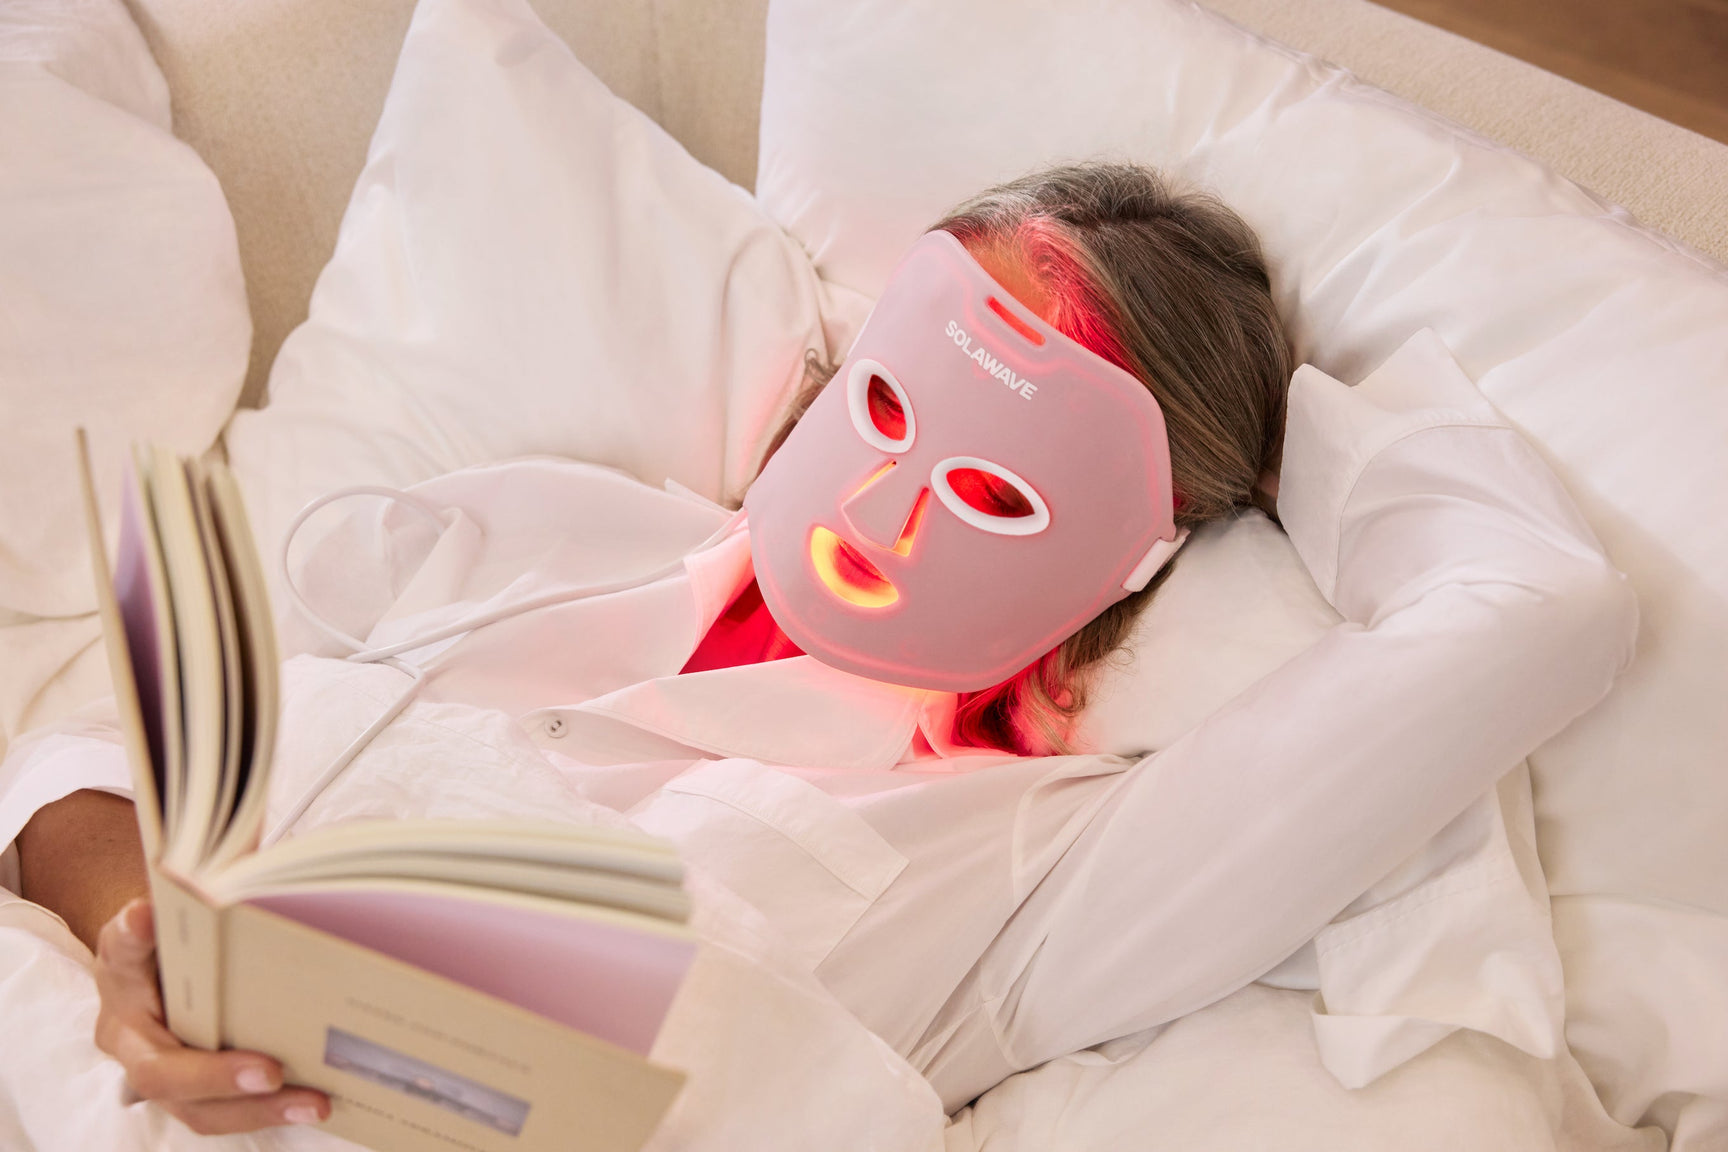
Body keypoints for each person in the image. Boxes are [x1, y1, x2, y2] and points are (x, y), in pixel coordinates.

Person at [1, 162, 1634, 1143]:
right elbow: (76, 765)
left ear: (1141, 552)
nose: (891, 505)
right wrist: (148, 951)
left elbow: (1537, 606)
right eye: (892, 399)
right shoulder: (568, 542)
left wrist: (1279, 435)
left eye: (998, 487)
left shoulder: (1044, 862)